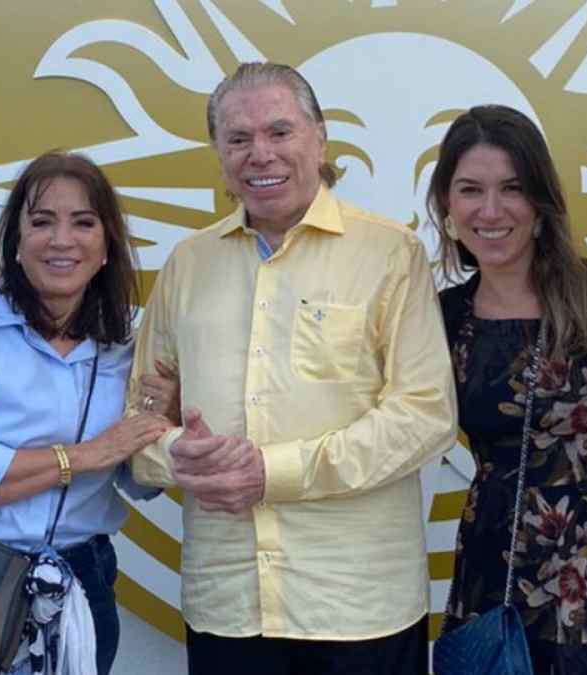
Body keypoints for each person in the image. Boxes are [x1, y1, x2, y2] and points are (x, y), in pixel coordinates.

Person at [127, 62, 457, 675]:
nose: (260, 154)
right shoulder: (187, 264)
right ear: (219, 154)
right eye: (238, 139)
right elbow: (139, 421)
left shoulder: (390, 253)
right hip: (229, 604)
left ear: (319, 138)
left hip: (359, 605)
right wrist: (177, 454)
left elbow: (425, 416)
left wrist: (269, 472)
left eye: (279, 132)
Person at [0, 151, 178, 675]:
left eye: (83, 223)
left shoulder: (126, 349)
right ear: (15, 242)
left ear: (107, 244)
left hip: (77, 588)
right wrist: (83, 457)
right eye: (42, 222)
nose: (61, 240)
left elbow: (139, 483)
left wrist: (163, 426)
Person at [429, 104, 587, 674]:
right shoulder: (442, 317)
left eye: (511, 188)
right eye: (470, 190)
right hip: (497, 569)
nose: (490, 211)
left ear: (540, 201)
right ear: (447, 204)